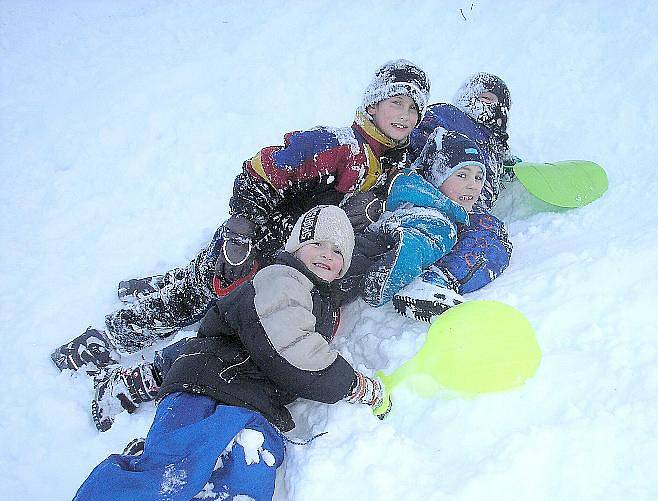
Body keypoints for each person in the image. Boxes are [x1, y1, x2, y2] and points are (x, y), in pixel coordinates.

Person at [24, 206, 390, 501]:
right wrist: (353, 385)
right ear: (296, 247)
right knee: (173, 475)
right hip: (207, 386)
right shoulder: (281, 280)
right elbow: (294, 348)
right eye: (318, 244)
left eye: (338, 251)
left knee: (254, 475)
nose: (329, 254)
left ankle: (179, 451)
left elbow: (356, 268)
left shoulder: (318, 295)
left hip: (249, 403)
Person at [50, 58, 430, 376]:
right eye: (396, 101)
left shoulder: (394, 165)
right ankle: (109, 338)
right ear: (373, 104)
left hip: (291, 262)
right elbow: (259, 173)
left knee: (228, 302)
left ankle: (163, 282)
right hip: (259, 241)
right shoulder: (336, 146)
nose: (405, 114)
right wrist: (242, 233)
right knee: (198, 293)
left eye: (414, 107)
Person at [344, 73, 515, 321]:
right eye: (485, 98)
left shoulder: (497, 148)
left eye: (500, 105)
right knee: (485, 231)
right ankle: (434, 280)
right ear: (466, 98)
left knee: (487, 235)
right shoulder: (449, 115)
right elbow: (416, 138)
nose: (492, 108)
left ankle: (419, 268)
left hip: (467, 203)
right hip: (439, 188)